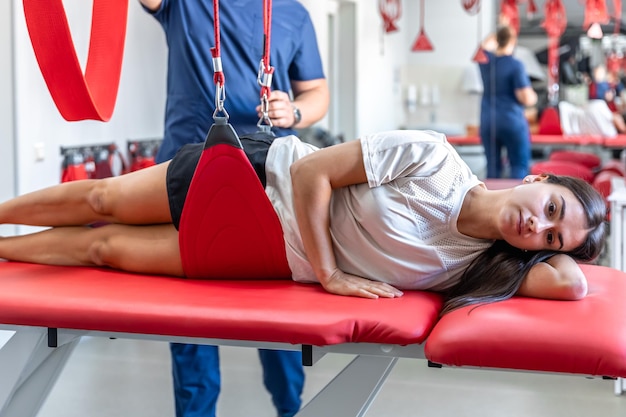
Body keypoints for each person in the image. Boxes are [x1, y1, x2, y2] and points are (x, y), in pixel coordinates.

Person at [0, 129, 606, 317]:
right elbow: (314, 171)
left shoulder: (479, 266)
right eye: (551, 209)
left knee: (103, 249)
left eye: (552, 239)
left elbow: (572, 284)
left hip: (266, 255)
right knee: (102, 200)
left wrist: (574, 244)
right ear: (536, 180)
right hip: (261, 177)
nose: (538, 227)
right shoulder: (433, 158)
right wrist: (331, 274)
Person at [138, 0, 330, 416]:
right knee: (190, 319)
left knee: (278, 313)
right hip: (187, 171)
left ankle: (288, 406)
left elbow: (317, 91)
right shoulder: (184, 6)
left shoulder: (292, 14)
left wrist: (295, 110)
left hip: (268, 176)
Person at [479, 24, 538, 179]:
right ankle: (517, 202)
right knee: (518, 165)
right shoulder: (515, 65)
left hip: (488, 121)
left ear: (497, 40)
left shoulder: (486, 62)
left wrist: (501, 27)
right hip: (511, 121)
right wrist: (534, 97)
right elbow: (525, 97)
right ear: (513, 42)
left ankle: (491, 203)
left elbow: (483, 46)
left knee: (492, 166)